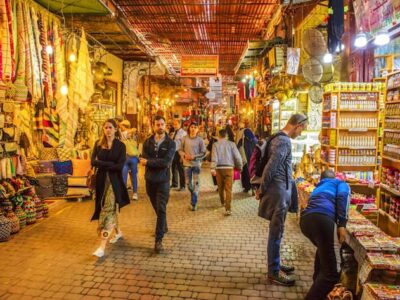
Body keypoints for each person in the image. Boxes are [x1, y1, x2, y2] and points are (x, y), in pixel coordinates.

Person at [258, 113, 308, 286]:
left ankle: (276, 264)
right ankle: (273, 271)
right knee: (276, 233)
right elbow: (272, 166)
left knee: (277, 232)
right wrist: (261, 188)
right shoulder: (284, 141)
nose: (301, 133)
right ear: (298, 125)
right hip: (278, 192)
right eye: (302, 129)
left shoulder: (278, 138)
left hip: (279, 190)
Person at [300, 170, 350, 299]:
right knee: (332, 272)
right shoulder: (340, 183)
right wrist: (342, 224)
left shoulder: (318, 188)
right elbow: (343, 197)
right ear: (334, 177)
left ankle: (318, 287)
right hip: (323, 220)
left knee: (324, 250)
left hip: (306, 221)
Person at [91, 119, 130, 258]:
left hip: (114, 182)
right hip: (101, 182)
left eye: (110, 127)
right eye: (105, 127)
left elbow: (120, 166)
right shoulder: (98, 144)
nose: (108, 130)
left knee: (107, 210)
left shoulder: (120, 146)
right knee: (108, 207)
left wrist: (102, 164)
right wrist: (109, 164)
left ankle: (102, 246)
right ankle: (118, 231)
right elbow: (92, 161)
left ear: (115, 129)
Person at [140, 116, 176, 253]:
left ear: (165, 125)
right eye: (157, 124)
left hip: (163, 181)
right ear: (153, 126)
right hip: (150, 180)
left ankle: (158, 240)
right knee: (156, 207)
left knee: (161, 208)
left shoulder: (170, 143)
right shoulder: (147, 142)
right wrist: (151, 162)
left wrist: (149, 162)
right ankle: (163, 225)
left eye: (162, 124)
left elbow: (166, 162)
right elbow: (143, 158)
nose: (160, 126)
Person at [211, 129, 243, 215]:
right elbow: (237, 157)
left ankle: (222, 202)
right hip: (229, 168)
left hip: (219, 169)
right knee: (228, 189)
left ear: (219, 135)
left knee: (220, 187)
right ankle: (228, 209)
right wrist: (240, 167)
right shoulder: (232, 144)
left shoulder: (215, 144)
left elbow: (214, 157)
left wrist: (213, 168)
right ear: (227, 136)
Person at [179, 121, 206, 211]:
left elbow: (203, 153)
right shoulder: (184, 139)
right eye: (192, 127)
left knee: (196, 184)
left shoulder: (200, 140)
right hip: (186, 164)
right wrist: (184, 155)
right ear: (189, 128)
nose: (193, 129)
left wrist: (194, 157)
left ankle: (193, 203)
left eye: (195, 127)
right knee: (188, 184)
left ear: (197, 129)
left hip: (196, 165)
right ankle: (194, 195)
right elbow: (180, 150)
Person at [119, 120, 140, 200]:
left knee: (124, 176)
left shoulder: (123, 134)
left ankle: (124, 195)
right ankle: (135, 193)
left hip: (126, 157)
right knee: (133, 176)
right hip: (133, 157)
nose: (120, 127)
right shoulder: (133, 134)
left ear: (124, 126)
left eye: (121, 126)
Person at [236, 120, 258, 193]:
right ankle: (253, 188)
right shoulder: (254, 140)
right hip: (252, 159)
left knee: (246, 172)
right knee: (252, 172)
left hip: (245, 158)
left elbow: (237, 147)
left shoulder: (242, 140)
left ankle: (247, 187)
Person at [171, 119, 186, 191]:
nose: (174, 126)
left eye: (176, 124)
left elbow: (184, 144)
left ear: (180, 124)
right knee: (173, 168)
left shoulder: (183, 133)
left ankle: (183, 185)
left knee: (181, 169)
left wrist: (182, 155)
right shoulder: (175, 132)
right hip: (174, 152)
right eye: (173, 124)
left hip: (179, 152)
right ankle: (174, 183)